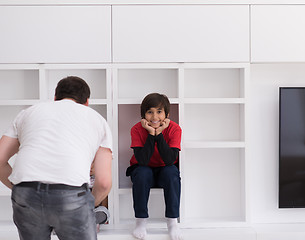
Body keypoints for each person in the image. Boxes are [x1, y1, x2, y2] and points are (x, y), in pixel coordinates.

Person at [0, 76, 113, 240]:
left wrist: (21, 189)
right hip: (71, 193)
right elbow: (103, 182)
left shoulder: (28, 113)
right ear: (87, 102)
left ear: (55, 98)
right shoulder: (97, 119)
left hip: (25, 193)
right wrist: (87, 206)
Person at [126, 93, 183, 240]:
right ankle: (140, 221)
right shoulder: (137, 129)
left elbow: (170, 160)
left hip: (165, 169)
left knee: (172, 173)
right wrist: (152, 134)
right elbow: (143, 160)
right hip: (143, 169)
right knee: (143, 172)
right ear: (143, 115)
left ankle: (172, 222)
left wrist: (160, 135)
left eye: (159, 112)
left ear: (167, 114)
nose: (154, 117)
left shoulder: (175, 129)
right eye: (150, 112)